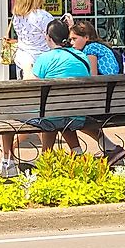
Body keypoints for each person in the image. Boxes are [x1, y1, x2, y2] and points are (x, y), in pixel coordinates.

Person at [0, 0, 56, 177]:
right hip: (44, 67)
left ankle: (8, 156)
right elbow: (55, 34)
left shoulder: (18, 16)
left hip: (24, 65)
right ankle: (47, 158)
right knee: (43, 115)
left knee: (27, 113)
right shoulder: (42, 16)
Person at [69, 20, 125, 165]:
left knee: (69, 116)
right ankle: (110, 147)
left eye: (74, 39)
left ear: (87, 37)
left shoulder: (91, 49)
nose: (71, 42)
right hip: (116, 99)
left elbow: (92, 78)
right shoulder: (101, 47)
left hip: (106, 103)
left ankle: (79, 155)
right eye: (70, 39)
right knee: (71, 116)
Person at [31, 19, 93, 155]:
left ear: (49, 37)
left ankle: (9, 161)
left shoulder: (44, 59)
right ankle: (75, 153)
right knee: (58, 113)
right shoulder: (82, 56)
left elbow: (34, 89)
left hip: (52, 115)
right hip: (78, 115)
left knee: (49, 114)